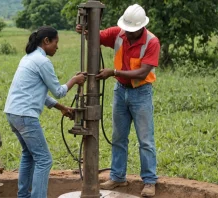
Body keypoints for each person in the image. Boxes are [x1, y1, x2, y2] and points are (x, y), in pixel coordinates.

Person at [76, 4, 160, 197]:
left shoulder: (151, 42)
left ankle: (149, 181)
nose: (128, 34)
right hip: (120, 91)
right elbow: (96, 36)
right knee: (118, 137)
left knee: (145, 139)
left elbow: (143, 71)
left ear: (141, 27)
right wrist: (86, 30)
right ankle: (117, 177)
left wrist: (113, 72)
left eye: (132, 31)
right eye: (127, 30)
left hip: (141, 92)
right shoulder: (119, 33)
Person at [4, 26, 86, 198]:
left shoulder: (28, 58)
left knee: (29, 154)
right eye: (56, 42)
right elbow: (59, 91)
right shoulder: (42, 62)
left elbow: (38, 93)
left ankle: (24, 196)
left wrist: (61, 108)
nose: (57, 47)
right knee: (44, 160)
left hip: (13, 113)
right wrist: (75, 80)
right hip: (26, 115)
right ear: (46, 41)